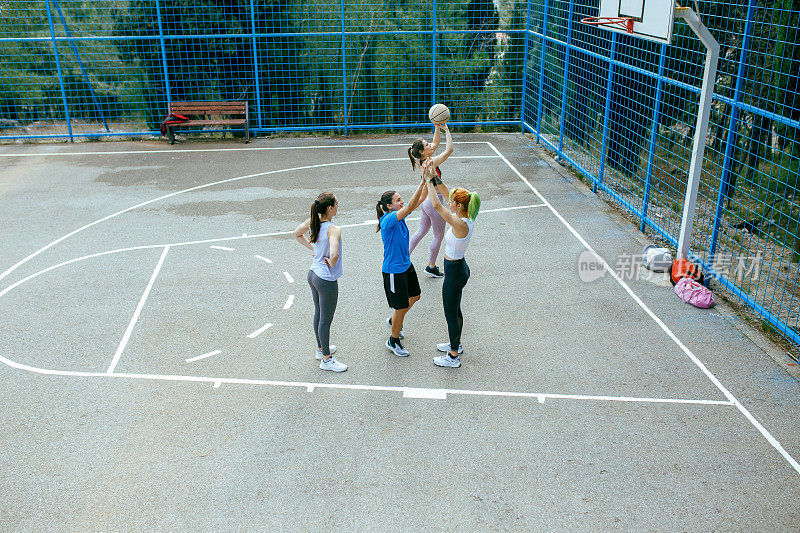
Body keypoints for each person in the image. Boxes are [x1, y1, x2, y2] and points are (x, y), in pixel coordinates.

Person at [422, 162, 480, 368]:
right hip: (458, 268)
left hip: (455, 272)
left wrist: (428, 181)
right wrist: (433, 176)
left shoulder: (460, 223)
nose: (450, 202)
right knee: (455, 310)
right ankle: (456, 343)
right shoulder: (465, 215)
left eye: (453, 202)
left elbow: (437, 205)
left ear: (459, 206)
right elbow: (446, 193)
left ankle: (453, 356)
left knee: (450, 312)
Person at [292, 192, 347, 372]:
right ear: (330, 208)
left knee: (319, 314)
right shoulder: (334, 229)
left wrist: (313, 249)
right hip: (326, 279)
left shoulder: (313, 222)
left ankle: (320, 349)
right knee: (326, 319)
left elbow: (296, 234)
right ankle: (326, 359)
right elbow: (334, 253)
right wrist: (331, 261)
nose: (338, 207)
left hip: (313, 275)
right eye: (336, 204)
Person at [376, 175, 429, 357]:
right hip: (393, 270)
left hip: (406, 265)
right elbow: (411, 205)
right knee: (400, 307)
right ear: (389, 206)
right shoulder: (389, 219)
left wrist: (429, 181)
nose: (402, 201)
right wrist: (421, 182)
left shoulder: (399, 216)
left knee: (415, 296)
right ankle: (393, 340)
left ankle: (394, 321)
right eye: (398, 200)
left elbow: (419, 200)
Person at [408, 123, 454, 278]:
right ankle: (431, 266)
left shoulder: (422, 160)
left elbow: (436, 143)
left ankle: (404, 257)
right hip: (434, 201)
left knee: (421, 231)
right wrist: (446, 130)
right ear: (422, 151)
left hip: (426, 202)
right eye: (427, 145)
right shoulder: (430, 162)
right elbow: (448, 150)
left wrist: (436, 127)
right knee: (438, 235)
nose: (431, 145)